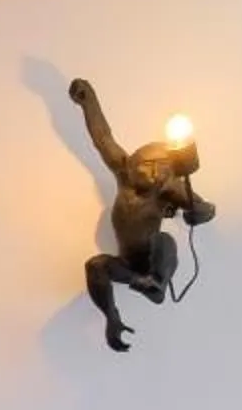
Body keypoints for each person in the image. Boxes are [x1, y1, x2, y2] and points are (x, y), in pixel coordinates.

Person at [72, 77, 216, 352]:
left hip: (153, 260)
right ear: (135, 163)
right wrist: (88, 100)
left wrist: (200, 212)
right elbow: (103, 138)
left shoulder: (169, 191)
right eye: (147, 165)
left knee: (166, 241)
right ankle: (112, 316)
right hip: (128, 268)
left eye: (161, 168)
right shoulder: (123, 172)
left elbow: (204, 208)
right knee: (95, 266)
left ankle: (158, 283)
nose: (152, 173)